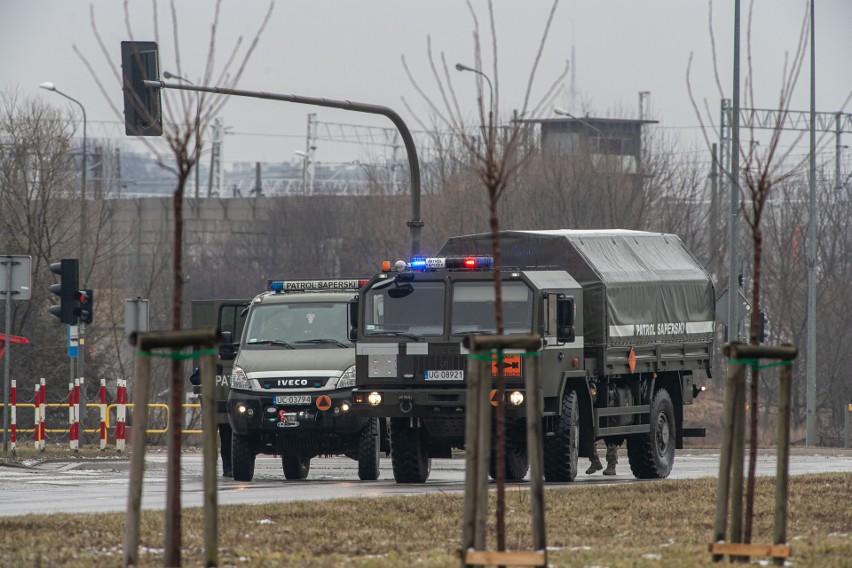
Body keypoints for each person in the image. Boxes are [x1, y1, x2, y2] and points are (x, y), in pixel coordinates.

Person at [190, 365, 233, 477]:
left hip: (224, 410)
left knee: (227, 441)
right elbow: (194, 379)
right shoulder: (208, 363)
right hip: (211, 410)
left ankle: (228, 468)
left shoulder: (230, 367)